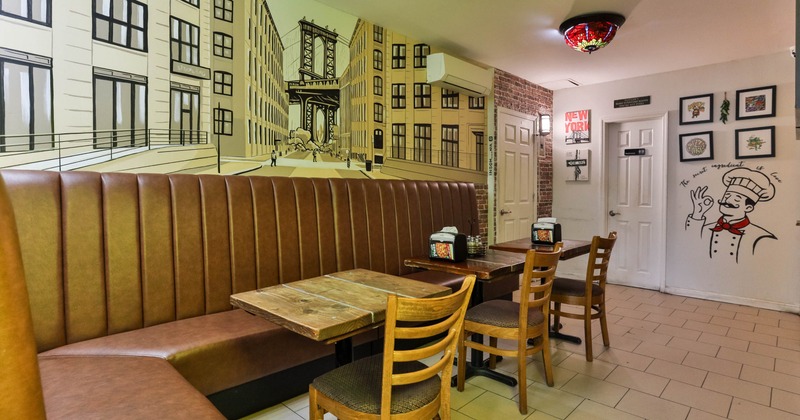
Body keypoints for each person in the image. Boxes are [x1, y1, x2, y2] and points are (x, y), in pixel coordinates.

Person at [685, 167, 776, 262]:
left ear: (748, 208)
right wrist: (697, 214)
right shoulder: (706, 229)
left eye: (737, 199)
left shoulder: (761, 237)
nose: (727, 200)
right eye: (727, 196)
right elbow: (689, 247)